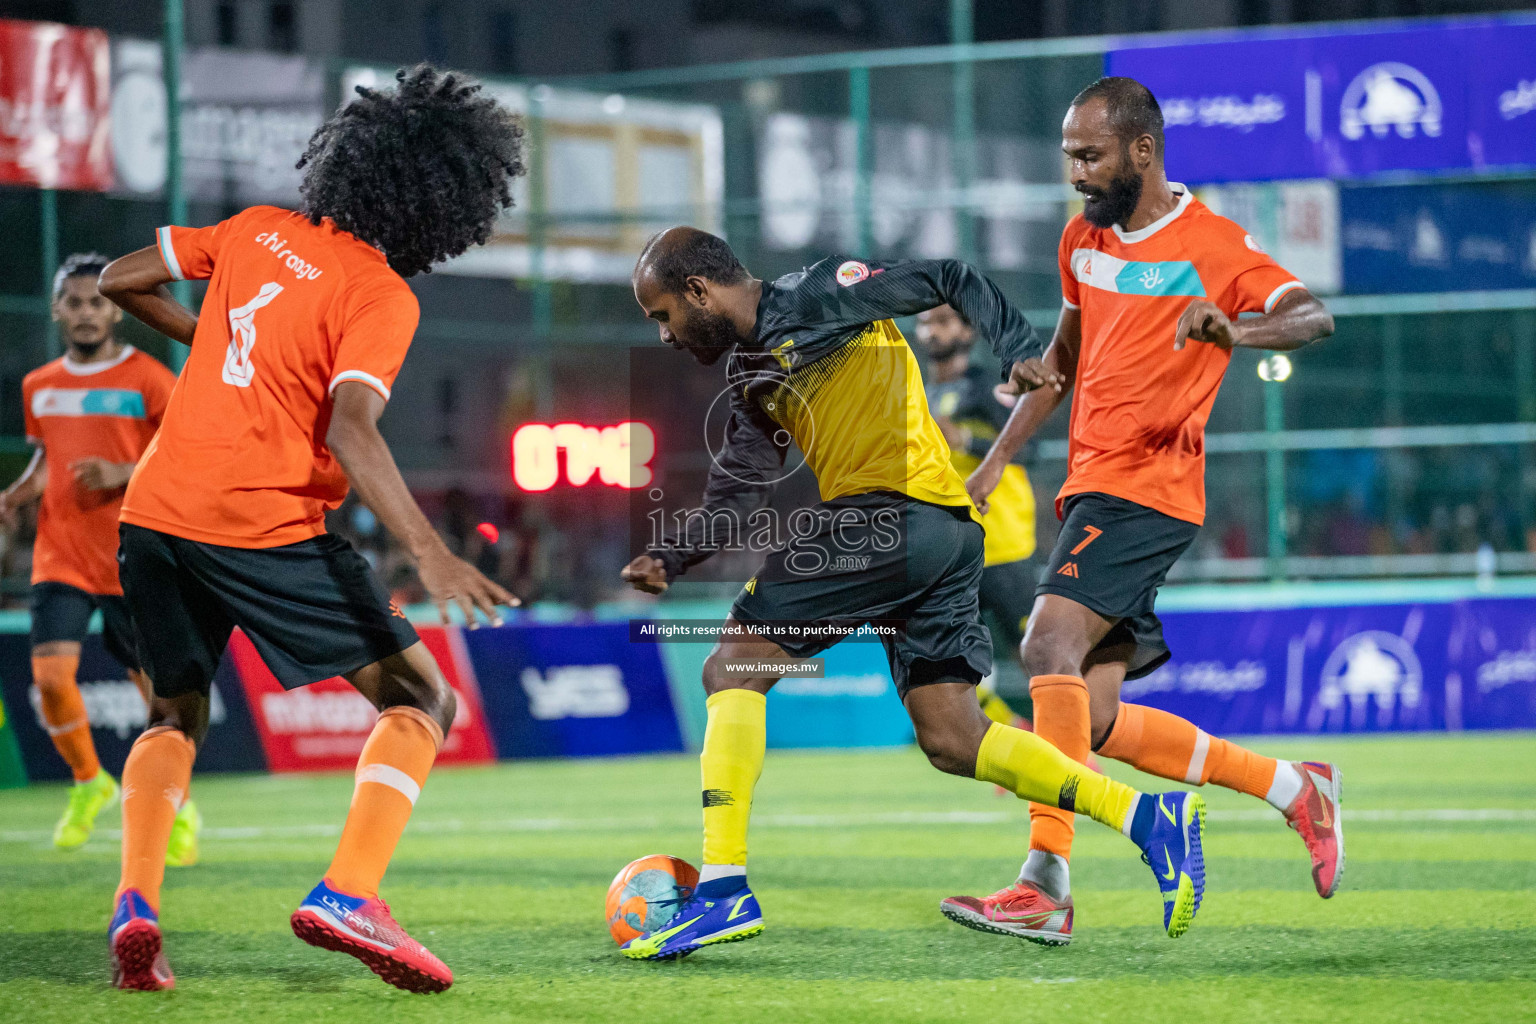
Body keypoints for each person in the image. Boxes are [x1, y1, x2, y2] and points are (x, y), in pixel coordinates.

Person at [617, 227, 1211, 961]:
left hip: (890, 515)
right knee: (953, 738)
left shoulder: (822, 289)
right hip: (945, 536)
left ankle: (723, 887)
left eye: (663, 314)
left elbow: (948, 276)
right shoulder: (750, 375)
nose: (666, 334)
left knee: (730, 665)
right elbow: (737, 490)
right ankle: (1149, 818)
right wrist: (670, 557)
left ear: (699, 291)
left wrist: (1019, 346)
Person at [96, 64, 524, 993]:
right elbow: (351, 425)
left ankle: (136, 906)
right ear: (445, 203)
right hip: (258, 521)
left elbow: (119, 278)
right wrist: (432, 549)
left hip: (155, 511)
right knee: (422, 698)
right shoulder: (380, 293)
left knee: (173, 712)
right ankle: (349, 893)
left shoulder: (256, 231)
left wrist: (212, 344)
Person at [952, 76, 1340, 947]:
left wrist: (1237, 333)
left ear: (1141, 151)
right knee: (1086, 718)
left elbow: (1310, 316)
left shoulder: (1212, 243)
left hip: (1151, 488)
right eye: (1069, 159)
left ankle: (1043, 883)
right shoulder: (1081, 242)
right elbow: (1061, 359)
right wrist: (997, 459)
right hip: (1092, 487)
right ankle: (1295, 789)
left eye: (1089, 157)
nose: (1077, 175)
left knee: (1044, 643)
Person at [0, 254, 200, 862]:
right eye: (75, 302)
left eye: (96, 302)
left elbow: (186, 456)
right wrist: (15, 494)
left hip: (131, 554)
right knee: (52, 681)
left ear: (115, 308)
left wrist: (122, 470)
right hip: (60, 556)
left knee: (157, 699)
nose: (87, 313)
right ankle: (90, 783)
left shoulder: (148, 380)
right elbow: (48, 462)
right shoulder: (40, 386)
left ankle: (179, 807)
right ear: (58, 310)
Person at [917, 304, 1038, 728]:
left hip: (1002, 543)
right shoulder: (917, 396)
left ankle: (1073, 748)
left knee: (1034, 653)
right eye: (926, 322)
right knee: (944, 655)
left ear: (968, 332)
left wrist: (966, 440)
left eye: (944, 321)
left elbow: (1029, 451)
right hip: (949, 550)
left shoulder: (989, 389)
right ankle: (1013, 736)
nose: (932, 331)